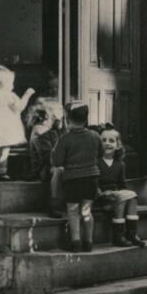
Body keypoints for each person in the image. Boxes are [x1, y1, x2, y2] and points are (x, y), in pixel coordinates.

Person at [51, 101, 103, 252]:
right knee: (86, 211)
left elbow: (57, 161)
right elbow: (100, 154)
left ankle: (76, 242)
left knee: (73, 211)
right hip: (91, 178)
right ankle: (88, 242)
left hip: (72, 179)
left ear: (67, 120)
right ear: (86, 120)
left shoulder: (65, 139)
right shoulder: (95, 136)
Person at [94, 125, 146, 247]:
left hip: (115, 197)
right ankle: (117, 236)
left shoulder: (120, 164)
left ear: (118, 146)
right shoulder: (96, 162)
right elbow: (94, 183)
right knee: (122, 197)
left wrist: (125, 193)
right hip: (101, 199)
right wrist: (101, 193)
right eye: (104, 140)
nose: (107, 143)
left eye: (111, 141)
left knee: (130, 197)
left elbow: (122, 185)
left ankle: (131, 234)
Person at [0, 65, 35, 180]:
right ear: (4, 83)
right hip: (7, 127)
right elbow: (19, 107)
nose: (12, 86)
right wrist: (27, 94)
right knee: (4, 150)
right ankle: (2, 171)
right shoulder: (9, 95)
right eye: (11, 83)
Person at [28, 101, 65, 217]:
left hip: (58, 163)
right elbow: (47, 156)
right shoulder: (41, 130)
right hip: (44, 168)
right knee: (59, 170)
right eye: (59, 110)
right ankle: (55, 205)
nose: (62, 113)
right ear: (50, 114)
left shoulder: (55, 130)